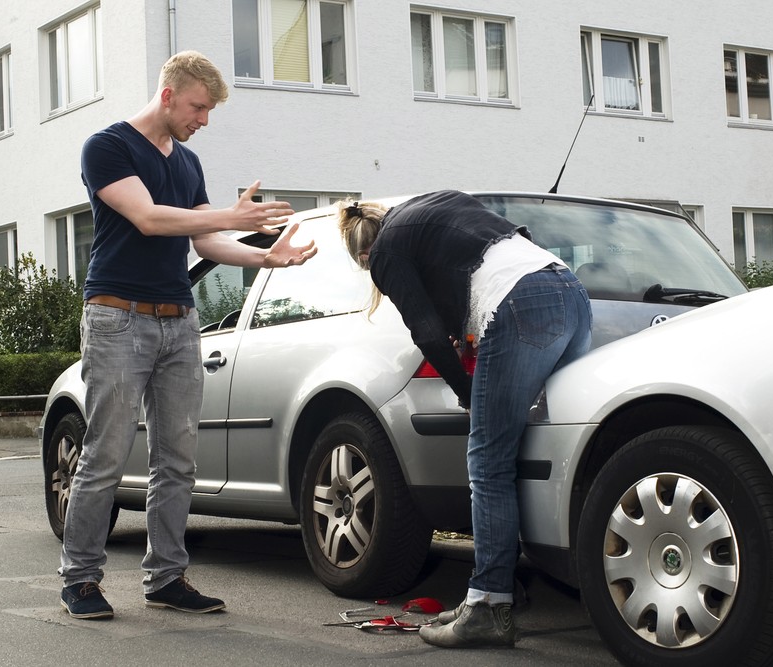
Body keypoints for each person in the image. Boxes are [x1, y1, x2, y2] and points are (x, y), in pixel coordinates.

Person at [59, 50, 317, 620]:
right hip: (117, 315)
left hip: (179, 320)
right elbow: (151, 218)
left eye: (209, 111)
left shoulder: (189, 163)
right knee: (105, 452)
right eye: (199, 107)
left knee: (177, 458)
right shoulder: (108, 146)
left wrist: (265, 256)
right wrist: (232, 217)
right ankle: (80, 579)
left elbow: (202, 243)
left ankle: (166, 578)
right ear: (169, 94)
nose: (204, 120)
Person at [338, 190, 592, 648]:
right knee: (548, 452)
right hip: (569, 291)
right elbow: (504, 248)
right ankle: (498, 589)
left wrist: (468, 392)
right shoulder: (439, 203)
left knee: (488, 463)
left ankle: (490, 606)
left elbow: (427, 330)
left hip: (522, 303)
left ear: (364, 254)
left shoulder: (387, 252)